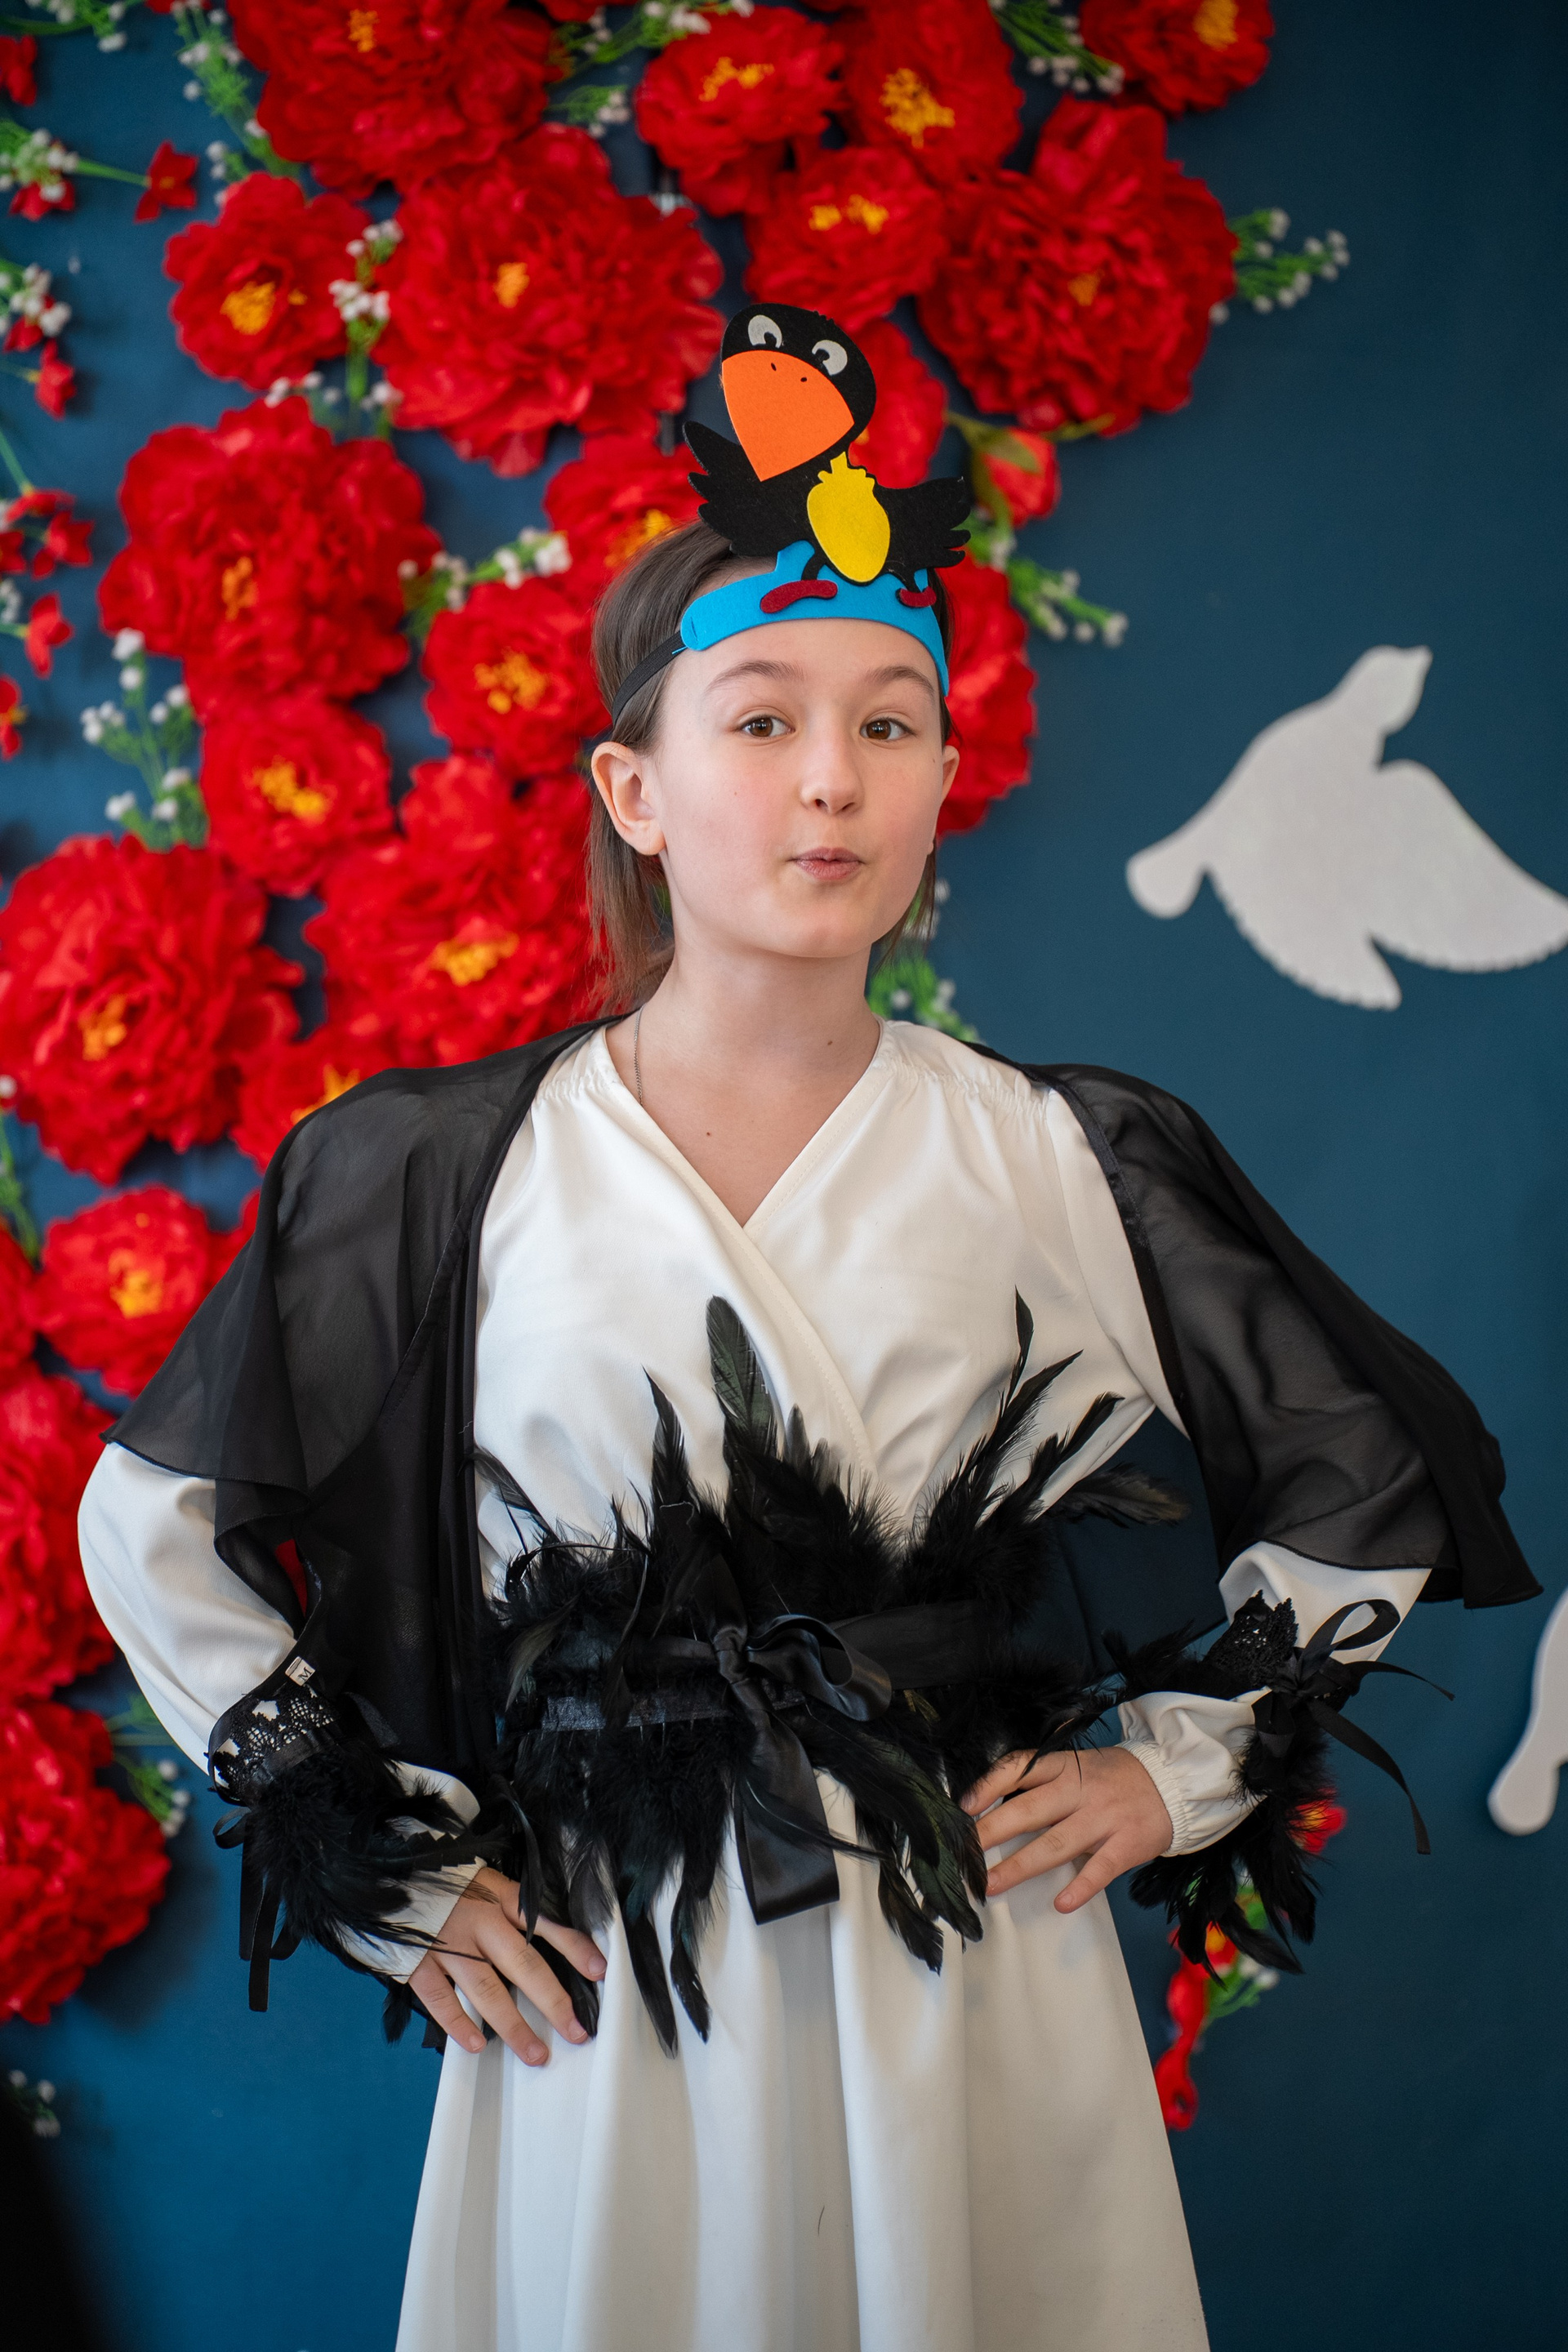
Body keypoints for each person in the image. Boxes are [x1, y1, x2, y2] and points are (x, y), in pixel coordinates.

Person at [79, 309, 1535, 2352]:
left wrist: (1180, 1769)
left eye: (892, 723)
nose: (833, 778)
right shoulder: (436, 1172)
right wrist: (384, 1869)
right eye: (761, 721)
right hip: (613, 1981)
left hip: (973, 1966)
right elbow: (153, 1521)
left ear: (946, 777)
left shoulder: (1059, 1154)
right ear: (636, 787)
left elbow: (1367, 1477)